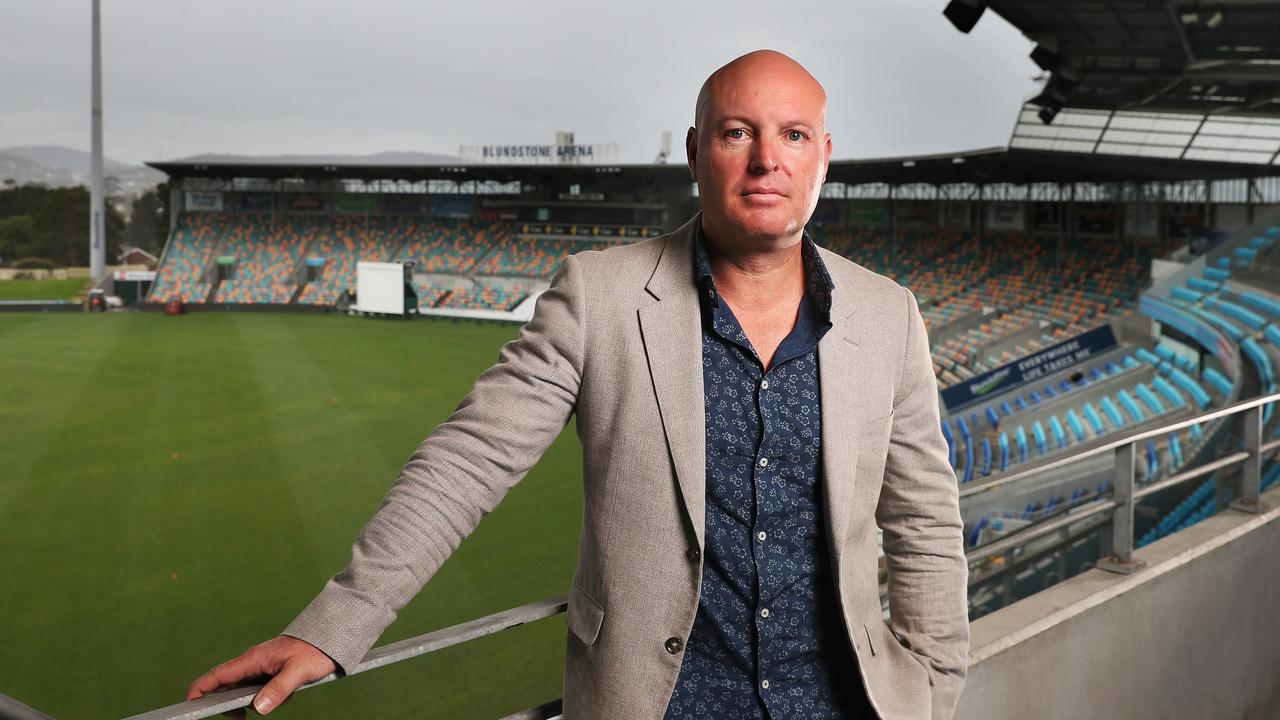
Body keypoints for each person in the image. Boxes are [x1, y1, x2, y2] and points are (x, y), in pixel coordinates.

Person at [188, 49, 969, 719]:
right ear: (698, 151)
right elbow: (469, 459)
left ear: (822, 156)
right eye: (739, 133)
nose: (768, 159)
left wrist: (935, 689)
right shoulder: (600, 296)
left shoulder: (887, 315)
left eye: (793, 135)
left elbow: (925, 521)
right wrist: (339, 622)